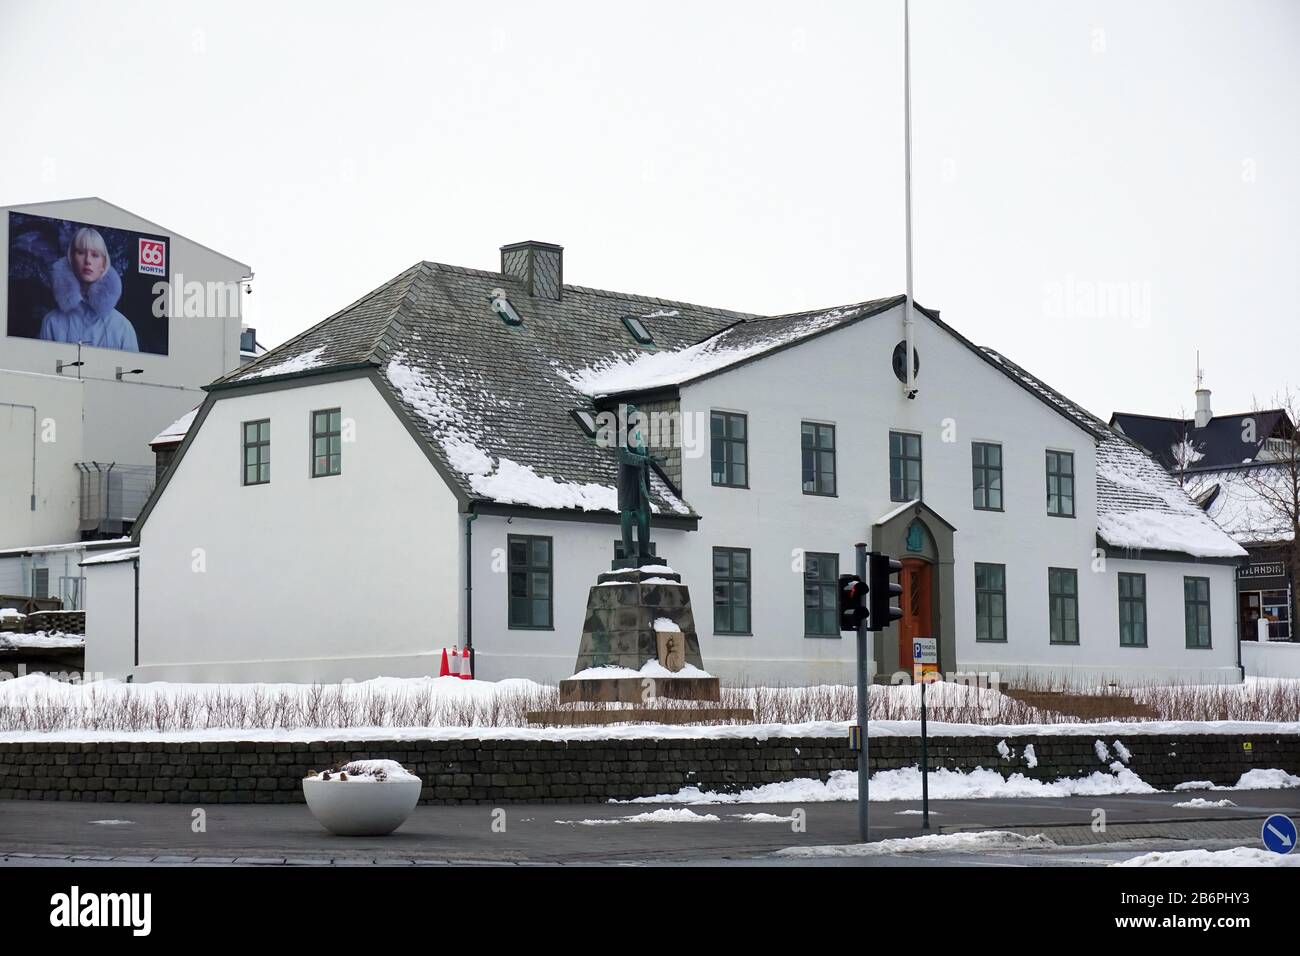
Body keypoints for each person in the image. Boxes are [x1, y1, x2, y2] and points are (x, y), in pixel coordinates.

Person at [39, 227, 140, 351]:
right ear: (71, 260)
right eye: (81, 252)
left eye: (95, 255)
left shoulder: (122, 327)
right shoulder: (52, 322)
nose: (88, 260)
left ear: (103, 264)